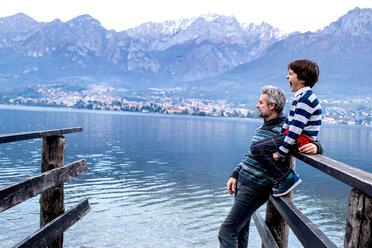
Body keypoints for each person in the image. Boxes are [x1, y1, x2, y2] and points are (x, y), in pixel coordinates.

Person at [218, 85, 323, 248]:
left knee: (227, 231)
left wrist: (317, 147)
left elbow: (303, 139)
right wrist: (235, 174)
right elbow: (250, 154)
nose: (257, 105)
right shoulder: (262, 127)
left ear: (271, 106)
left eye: (261, 102)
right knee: (239, 230)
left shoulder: (284, 130)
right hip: (242, 182)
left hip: (255, 188)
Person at [250, 59, 322, 197]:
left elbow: (296, 128)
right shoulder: (300, 97)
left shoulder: (306, 99)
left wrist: (280, 153)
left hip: (301, 139)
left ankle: (287, 177)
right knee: (259, 147)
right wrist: (278, 138)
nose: (286, 77)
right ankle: (283, 178)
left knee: (257, 149)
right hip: (295, 137)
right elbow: (289, 123)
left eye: (290, 74)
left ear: (301, 78)